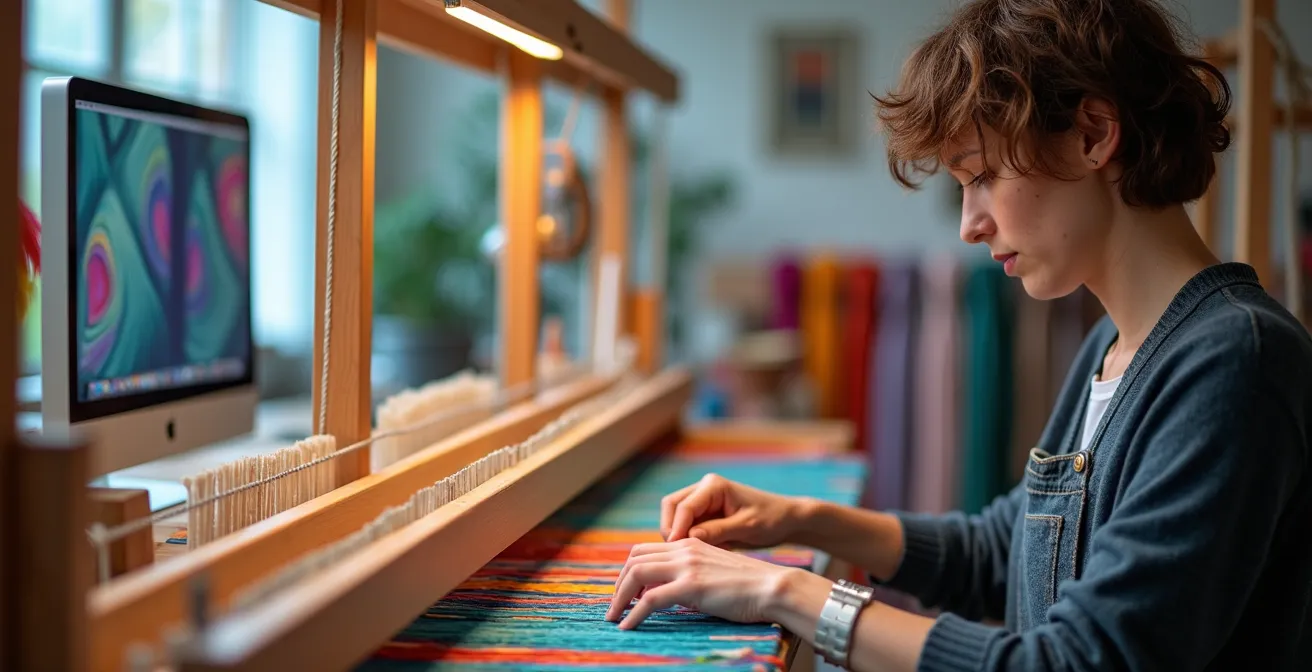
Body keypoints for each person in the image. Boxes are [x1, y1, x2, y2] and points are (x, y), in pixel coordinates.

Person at [604, 0, 1312, 669]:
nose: (969, 224)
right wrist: (799, 519)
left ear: (1094, 134)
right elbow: (1003, 553)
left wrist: (784, 592)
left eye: (983, 176)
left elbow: (1079, 660)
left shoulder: (1236, 362)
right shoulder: (1116, 346)